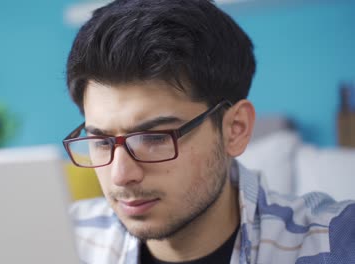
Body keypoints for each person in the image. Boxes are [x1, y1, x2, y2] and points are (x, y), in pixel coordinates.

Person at [62, 0, 355, 263]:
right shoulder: (62, 239)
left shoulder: (334, 243)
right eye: (101, 141)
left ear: (235, 129)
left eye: (154, 138)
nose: (120, 175)